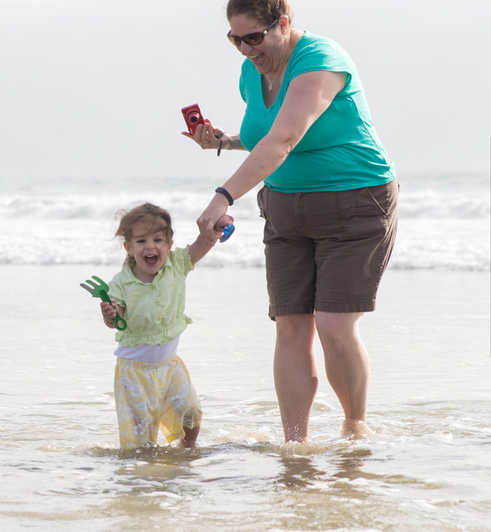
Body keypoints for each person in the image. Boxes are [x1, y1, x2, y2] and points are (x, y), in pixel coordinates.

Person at [184, 0, 398, 442]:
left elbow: (286, 138)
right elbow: (266, 136)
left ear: (282, 23)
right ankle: (294, 444)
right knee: (290, 326)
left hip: (354, 202)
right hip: (284, 207)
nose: (245, 49)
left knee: (335, 325)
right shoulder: (253, 71)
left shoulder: (321, 60)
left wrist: (223, 196)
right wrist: (223, 140)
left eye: (254, 38)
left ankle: (354, 427)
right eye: (235, 39)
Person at [98, 203, 232, 449]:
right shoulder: (120, 283)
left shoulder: (177, 264)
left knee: (190, 410)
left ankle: (187, 449)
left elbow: (204, 243)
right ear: (128, 248)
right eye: (141, 241)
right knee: (141, 438)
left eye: (158, 239)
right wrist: (110, 313)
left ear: (170, 244)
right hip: (134, 373)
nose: (150, 246)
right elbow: (115, 318)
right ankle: (142, 474)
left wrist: (216, 229)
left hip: (170, 366)